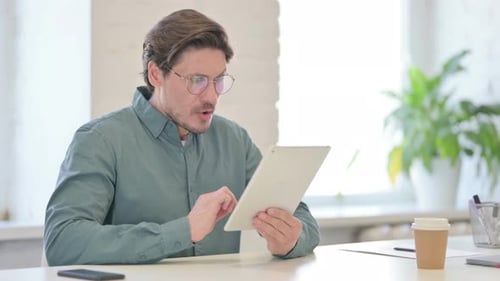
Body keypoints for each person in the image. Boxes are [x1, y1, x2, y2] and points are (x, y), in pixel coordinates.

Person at [44, 8, 320, 266]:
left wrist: (291, 238)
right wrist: (183, 230)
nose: (211, 96)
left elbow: (302, 218)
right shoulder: (101, 140)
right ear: (155, 74)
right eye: (197, 81)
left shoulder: (234, 140)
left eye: (219, 80)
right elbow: (63, 241)